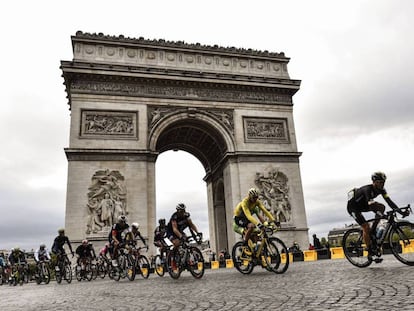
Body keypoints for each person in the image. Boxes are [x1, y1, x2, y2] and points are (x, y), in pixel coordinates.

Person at [347, 172, 407, 260]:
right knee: (366, 227)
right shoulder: (367, 189)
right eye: (380, 182)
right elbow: (370, 202)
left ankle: (373, 229)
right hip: (353, 208)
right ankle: (369, 250)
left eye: (383, 182)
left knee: (382, 207)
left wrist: (401, 212)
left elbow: (389, 202)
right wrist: (381, 214)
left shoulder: (382, 190)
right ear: (374, 182)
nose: (382, 184)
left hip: (363, 205)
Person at [233, 188, 276, 254]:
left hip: (246, 219)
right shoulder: (245, 202)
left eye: (256, 197)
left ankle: (255, 250)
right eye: (254, 198)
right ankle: (244, 244)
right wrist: (258, 224)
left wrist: (272, 221)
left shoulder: (256, 203)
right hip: (239, 218)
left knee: (257, 231)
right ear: (250, 197)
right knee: (252, 226)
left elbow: (265, 211)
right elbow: (248, 216)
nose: (255, 199)